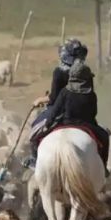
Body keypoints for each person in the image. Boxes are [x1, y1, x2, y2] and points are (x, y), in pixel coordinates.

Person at [24, 59, 110, 171]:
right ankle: (103, 167)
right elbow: (93, 113)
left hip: (65, 122)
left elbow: (55, 110)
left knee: (35, 137)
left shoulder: (65, 91)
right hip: (86, 124)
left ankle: (35, 159)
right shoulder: (91, 94)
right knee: (105, 137)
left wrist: (48, 123)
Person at [23, 38, 88, 169]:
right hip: (81, 113)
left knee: (35, 129)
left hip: (60, 111)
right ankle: (103, 165)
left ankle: (34, 159)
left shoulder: (59, 71)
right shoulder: (85, 71)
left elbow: (54, 98)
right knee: (102, 135)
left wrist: (40, 100)